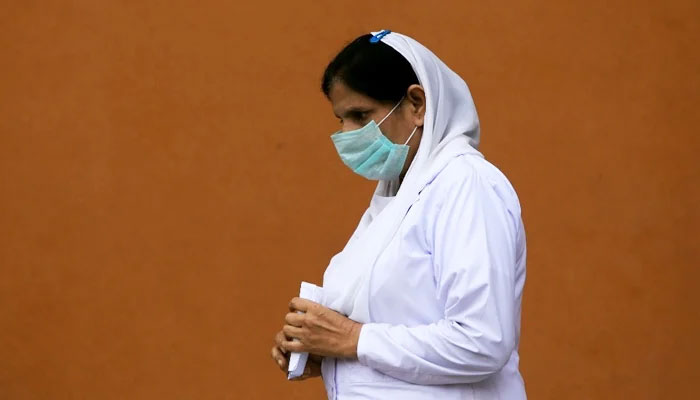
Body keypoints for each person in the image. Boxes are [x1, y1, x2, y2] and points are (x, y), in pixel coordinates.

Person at [270, 30, 527, 399]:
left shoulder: (466, 184)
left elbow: (482, 339)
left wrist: (350, 339)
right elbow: (393, 332)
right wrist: (322, 351)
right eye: (341, 119)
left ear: (417, 104)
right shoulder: (397, 196)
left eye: (360, 115)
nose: (346, 134)